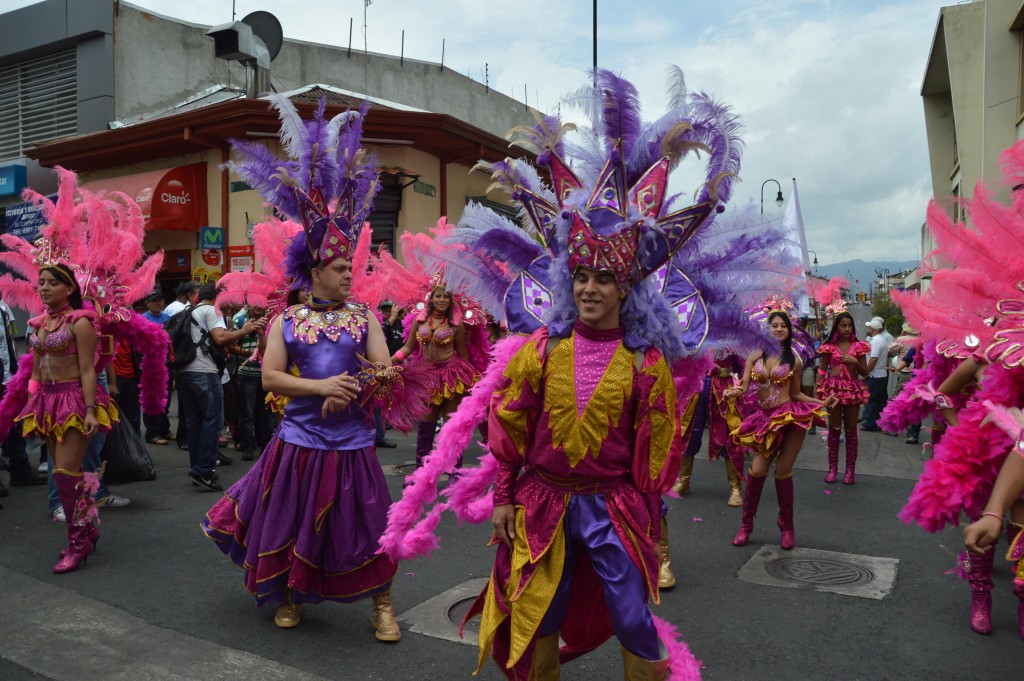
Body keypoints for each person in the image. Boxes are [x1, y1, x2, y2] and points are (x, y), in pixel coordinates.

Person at [201, 97, 413, 638]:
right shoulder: (286, 320)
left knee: (370, 524)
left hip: (353, 442)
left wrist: (358, 387)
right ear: (315, 269)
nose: (351, 274)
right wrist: (322, 386)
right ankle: (292, 592)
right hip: (299, 441)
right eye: (342, 267)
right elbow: (269, 378)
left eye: (352, 265)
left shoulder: (364, 315)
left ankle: (382, 603)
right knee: (294, 523)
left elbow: (385, 371)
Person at [16, 263, 117, 572]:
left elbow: (88, 369)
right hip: (46, 402)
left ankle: (78, 543)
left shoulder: (80, 323)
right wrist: (31, 405)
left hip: (74, 400)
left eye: (51, 283)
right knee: (68, 473)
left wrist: (89, 410)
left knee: (64, 473)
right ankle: (88, 527)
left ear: (69, 288)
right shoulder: (39, 323)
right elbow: (34, 370)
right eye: (41, 283)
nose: (44, 288)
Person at [726, 309, 835, 549]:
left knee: (783, 471)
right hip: (766, 420)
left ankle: (786, 527)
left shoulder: (793, 359)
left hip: (790, 419)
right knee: (756, 471)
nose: (778, 329)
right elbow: (743, 387)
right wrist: (732, 392)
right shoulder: (755, 356)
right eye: (773, 325)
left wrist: (821, 402)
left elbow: (796, 393)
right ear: (767, 329)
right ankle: (746, 525)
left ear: (789, 330)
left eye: (782, 326)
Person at [179, 283, 261, 491]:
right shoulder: (211, 310)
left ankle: (197, 468)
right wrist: (244, 330)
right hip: (205, 372)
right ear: (218, 297)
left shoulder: (192, 311)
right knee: (213, 420)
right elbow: (221, 338)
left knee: (195, 421)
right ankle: (204, 470)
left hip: (185, 372)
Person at [0, 296, 47, 497]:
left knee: (14, 425)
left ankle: (20, 469)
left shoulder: (4, 308)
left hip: (8, 375)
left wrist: (16, 367)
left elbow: (11, 339)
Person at [815, 310, 870, 484]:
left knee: (851, 431)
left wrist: (854, 362)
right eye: (843, 325)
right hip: (833, 390)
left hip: (852, 389)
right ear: (837, 327)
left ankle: (850, 470)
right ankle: (832, 469)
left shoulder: (859, 346)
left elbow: (865, 372)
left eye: (849, 325)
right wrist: (818, 389)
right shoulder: (829, 346)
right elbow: (822, 369)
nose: (847, 328)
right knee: (834, 430)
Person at [231, 305, 272, 461]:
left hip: (266, 373)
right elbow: (230, 344)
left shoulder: (272, 319)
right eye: (256, 305)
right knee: (247, 413)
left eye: (262, 305)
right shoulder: (240, 319)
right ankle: (247, 445)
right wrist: (247, 352)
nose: (259, 308)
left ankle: (266, 445)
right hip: (247, 373)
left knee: (266, 412)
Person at [860, 318, 891, 431]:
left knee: (870, 400)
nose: (868, 329)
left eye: (869, 327)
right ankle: (878, 422)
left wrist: (866, 373)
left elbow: (873, 359)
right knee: (879, 401)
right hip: (880, 374)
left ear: (872, 329)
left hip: (875, 375)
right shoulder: (880, 339)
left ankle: (870, 423)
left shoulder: (877, 341)